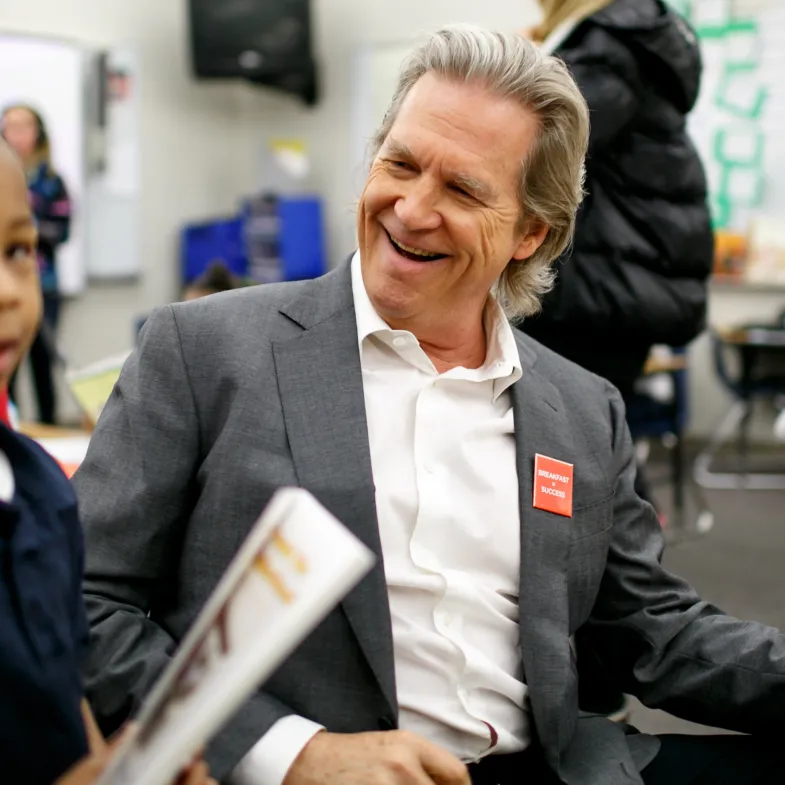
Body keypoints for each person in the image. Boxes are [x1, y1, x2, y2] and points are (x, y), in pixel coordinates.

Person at [74, 25, 785, 785]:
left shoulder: (581, 408)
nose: (410, 210)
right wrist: (294, 753)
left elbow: (648, 628)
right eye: (400, 164)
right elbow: (85, 605)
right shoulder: (205, 351)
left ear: (530, 234)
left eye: (462, 190)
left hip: (546, 764)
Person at [0, 141, 215, 785]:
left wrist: (121, 767)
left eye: (16, 250)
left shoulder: (39, 487)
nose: (10, 292)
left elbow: (64, 696)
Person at [518, 0, 713, 517]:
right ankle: (630, 567)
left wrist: (524, 65)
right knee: (590, 435)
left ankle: (633, 575)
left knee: (576, 435)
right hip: (622, 282)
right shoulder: (629, 37)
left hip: (603, 288)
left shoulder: (606, 44)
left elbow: (541, 138)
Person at [2, 104, 72, 425]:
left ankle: (49, 425)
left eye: (24, 126)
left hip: (44, 285)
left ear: (37, 132)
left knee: (43, 363)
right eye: (10, 126)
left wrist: (28, 229)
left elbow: (61, 230)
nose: (17, 134)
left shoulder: (53, 181)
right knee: (8, 368)